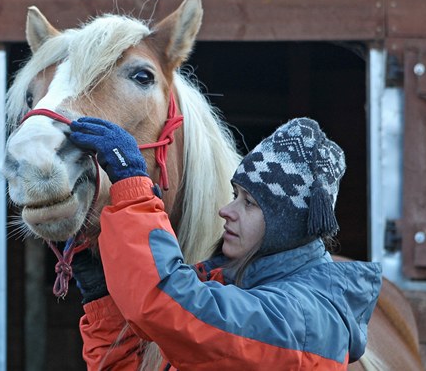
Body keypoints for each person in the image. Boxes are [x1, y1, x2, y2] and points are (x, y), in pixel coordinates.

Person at [68, 117, 383, 370]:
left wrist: (132, 186)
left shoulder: (302, 319)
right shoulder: (240, 288)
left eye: (249, 203)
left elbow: (166, 307)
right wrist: (106, 302)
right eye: (235, 195)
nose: (226, 211)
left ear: (286, 226)